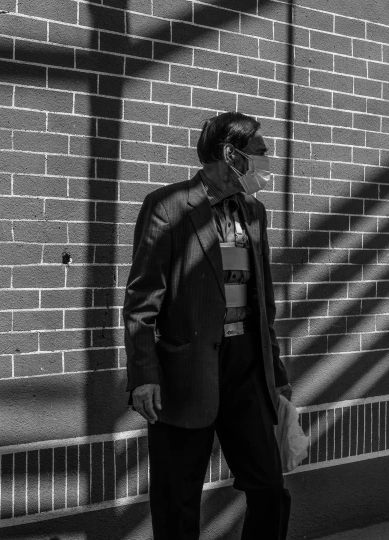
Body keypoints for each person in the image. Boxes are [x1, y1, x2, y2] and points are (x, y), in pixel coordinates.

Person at [123, 111, 292, 540]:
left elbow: (262, 300)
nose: (266, 161)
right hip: (186, 370)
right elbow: (143, 300)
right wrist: (144, 376)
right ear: (231, 154)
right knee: (178, 500)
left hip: (246, 368)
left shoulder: (254, 212)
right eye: (259, 153)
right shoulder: (168, 206)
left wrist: (277, 374)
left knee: (269, 487)